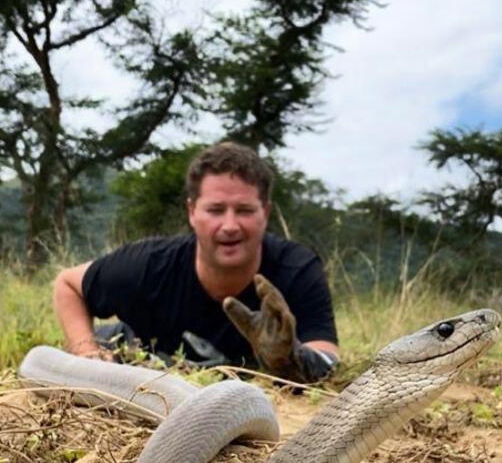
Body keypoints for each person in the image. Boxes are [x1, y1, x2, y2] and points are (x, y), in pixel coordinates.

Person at [52, 141, 339, 383]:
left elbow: (328, 359)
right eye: (215, 210)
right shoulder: (148, 265)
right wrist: (86, 353)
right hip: (131, 355)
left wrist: (291, 357)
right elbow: (67, 284)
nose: (230, 225)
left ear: (265, 212)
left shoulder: (297, 270)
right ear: (192, 212)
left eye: (244, 210)